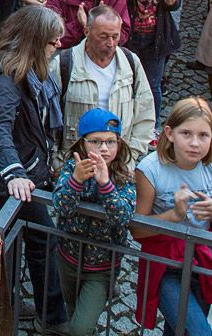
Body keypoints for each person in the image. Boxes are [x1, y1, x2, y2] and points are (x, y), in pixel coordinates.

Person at [0, 6, 71, 333]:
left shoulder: (25, 69)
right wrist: (15, 172)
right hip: (15, 176)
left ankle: (17, 304)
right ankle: (50, 316)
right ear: (34, 41)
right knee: (39, 238)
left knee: (25, 239)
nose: (59, 45)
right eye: (53, 41)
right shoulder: (8, 80)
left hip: (27, 169)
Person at [132, 98, 212, 336]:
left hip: (203, 261)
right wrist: (174, 215)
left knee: (179, 331)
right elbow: (137, 229)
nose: (195, 143)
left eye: (203, 135)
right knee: (199, 332)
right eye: (186, 133)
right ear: (169, 133)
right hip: (164, 264)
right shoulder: (150, 169)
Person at [52, 109, 137, 336]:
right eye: (96, 141)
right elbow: (61, 206)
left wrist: (105, 184)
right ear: (82, 143)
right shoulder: (72, 167)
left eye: (111, 141)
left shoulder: (123, 176)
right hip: (67, 257)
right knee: (73, 314)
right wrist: (76, 181)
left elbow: (122, 217)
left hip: (102, 267)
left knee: (80, 328)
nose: (104, 149)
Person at [56, 6, 155, 169]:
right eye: (103, 36)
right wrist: (58, 162)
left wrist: (130, 158)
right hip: (74, 164)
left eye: (115, 37)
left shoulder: (131, 62)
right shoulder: (64, 64)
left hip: (118, 166)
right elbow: (49, 119)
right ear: (87, 31)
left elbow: (145, 113)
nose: (110, 43)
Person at [109, 0, 182, 124]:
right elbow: (111, 6)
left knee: (152, 85)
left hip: (155, 36)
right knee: (124, 82)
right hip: (128, 36)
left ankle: (152, 125)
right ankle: (121, 121)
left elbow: (173, 5)